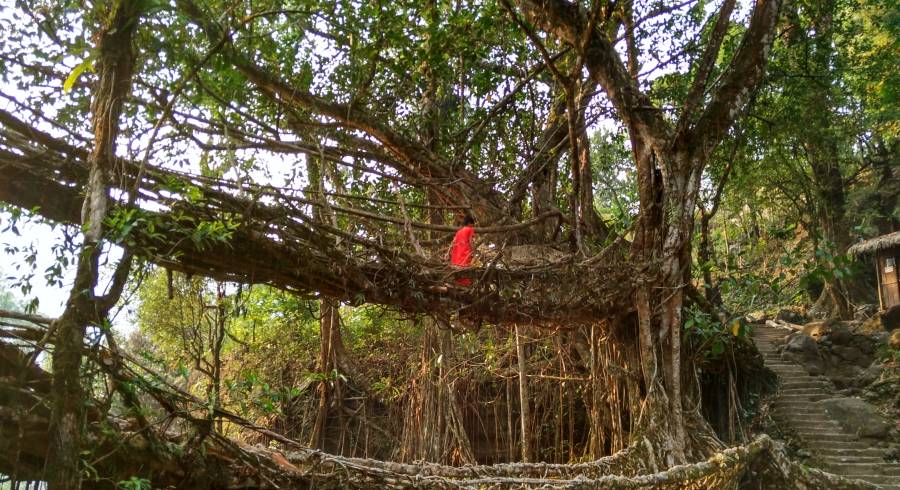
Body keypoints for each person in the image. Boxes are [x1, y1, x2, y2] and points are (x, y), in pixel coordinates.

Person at [449, 215, 476, 286]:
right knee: (466, 269)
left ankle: (458, 284)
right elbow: (471, 241)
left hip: (457, 254)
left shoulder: (459, 232)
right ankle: (466, 285)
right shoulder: (470, 229)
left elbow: (453, 242)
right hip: (466, 253)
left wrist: (448, 253)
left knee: (458, 269)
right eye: (472, 224)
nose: (472, 226)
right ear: (469, 223)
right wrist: (474, 251)